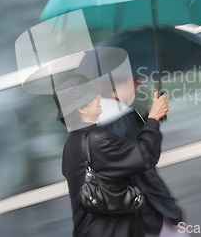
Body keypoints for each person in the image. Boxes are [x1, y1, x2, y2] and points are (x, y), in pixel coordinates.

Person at [56, 76, 169, 237]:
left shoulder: (73, 142)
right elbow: (145, 156)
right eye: (92, 96)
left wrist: (149, 120)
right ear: (81, 109)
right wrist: (153, 119)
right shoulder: (95, 141)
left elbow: (117, 155)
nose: (99, 97)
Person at [97, 76, 186, 237]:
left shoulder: (113, 114)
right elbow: (143, 160)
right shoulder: (117, 117)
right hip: (150, 213)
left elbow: (133, 143)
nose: (140, 83)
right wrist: (170, 209)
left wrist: (153, 117)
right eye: (135, 78)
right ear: (118, 83)